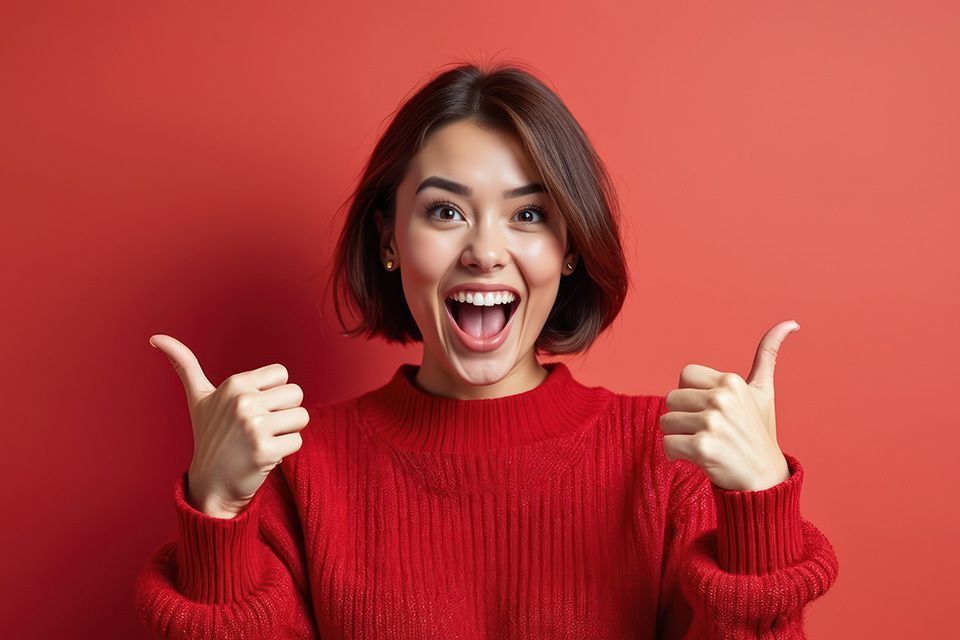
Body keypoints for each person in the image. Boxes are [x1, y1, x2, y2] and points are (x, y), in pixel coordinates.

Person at [134, 62, 839, 639]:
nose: (484, 252)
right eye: (445, 211)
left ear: (568, 250)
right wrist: (218, 512)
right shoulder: (299, 472)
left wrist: (759, 511)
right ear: (388, 239)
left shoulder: (666, 461)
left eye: (529, 215)